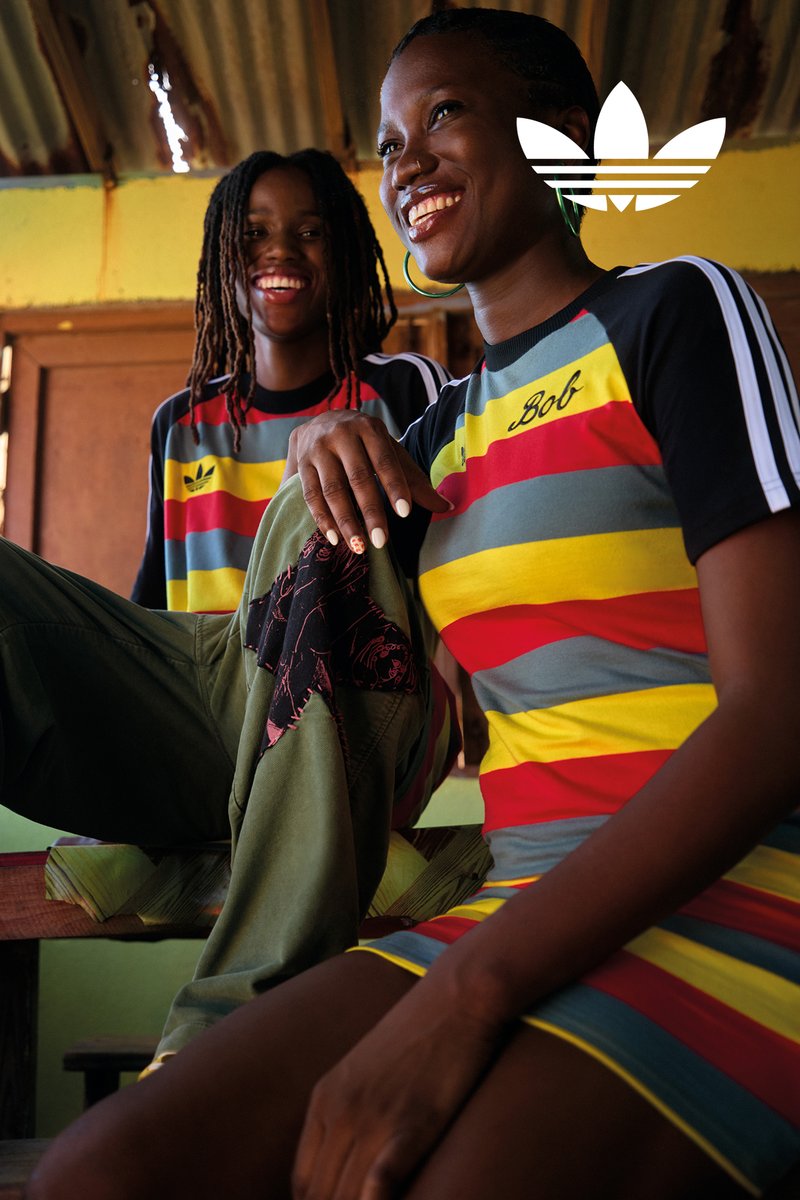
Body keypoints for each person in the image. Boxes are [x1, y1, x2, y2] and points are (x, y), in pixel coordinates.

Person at [23, 7, 800, 1200]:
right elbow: (366, 685)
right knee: (101, 1173)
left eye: (444, 114)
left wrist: (466, 997)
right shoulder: (425, 435)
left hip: (738, 898)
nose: (405, 165)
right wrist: (326, 448)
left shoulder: (674, 312)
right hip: (514, 900)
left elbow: (774, 714)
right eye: (390, 142)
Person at [132, 147, 450, 614]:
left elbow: (456, 558)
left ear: (344, 250)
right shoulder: (181, 423)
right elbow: (153, 604)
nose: (280, 249)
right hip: (208, 687)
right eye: (254, 233)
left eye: (310, 232)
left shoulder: (408, 387)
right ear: (221, 254)